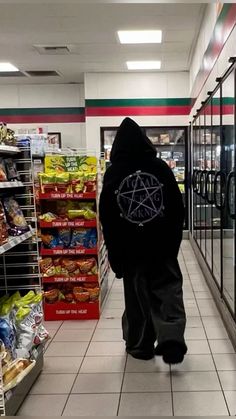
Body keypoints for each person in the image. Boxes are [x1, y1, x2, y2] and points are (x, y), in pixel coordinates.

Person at [99, 117, 187, 364]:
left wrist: (116, 256)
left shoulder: (114, 173)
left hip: (131, 250)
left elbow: (108, 216)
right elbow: (177, 208)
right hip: (161, 246)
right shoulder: (160, 168)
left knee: (137, 298)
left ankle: (140, 346)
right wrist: (173, 243)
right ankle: (171, 337)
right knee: (169, 292)